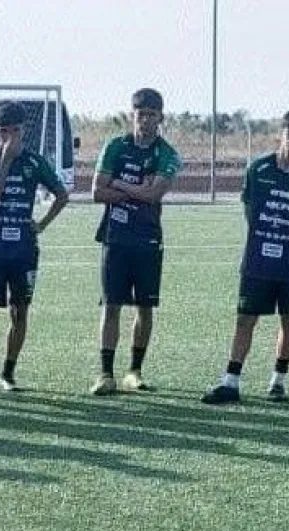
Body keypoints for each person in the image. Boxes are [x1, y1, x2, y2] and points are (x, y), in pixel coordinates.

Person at [202, 109, 289, 404]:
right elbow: (249, 207)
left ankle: (278, 380)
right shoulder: (258, 169)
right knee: (245, 319)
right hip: (257, 260)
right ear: (281, 132)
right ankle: (231, 381)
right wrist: (265, 234)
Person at [0, 102, 69, 394]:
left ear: (24, 131)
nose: (9, 137)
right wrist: (6, 162)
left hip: (23, 249)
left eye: (15, 131)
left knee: (20, 311)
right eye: (3, 131)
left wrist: (41, 224)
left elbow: (61, 195)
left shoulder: (35, 162)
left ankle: (8, 373)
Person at [89, 88, 182, 396]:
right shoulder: (115, 146)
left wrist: (116, 183)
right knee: (111, 305)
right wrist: (133, 187)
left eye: (151, 115)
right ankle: (105, 373)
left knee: (145, 307)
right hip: (115, 238)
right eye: (140, 114)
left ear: (160, 118)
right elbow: (96, 192)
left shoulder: (167, 154)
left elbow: (155, 194)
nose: (145, 120)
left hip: (148, 238)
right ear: (133, 115)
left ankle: (134, 371)